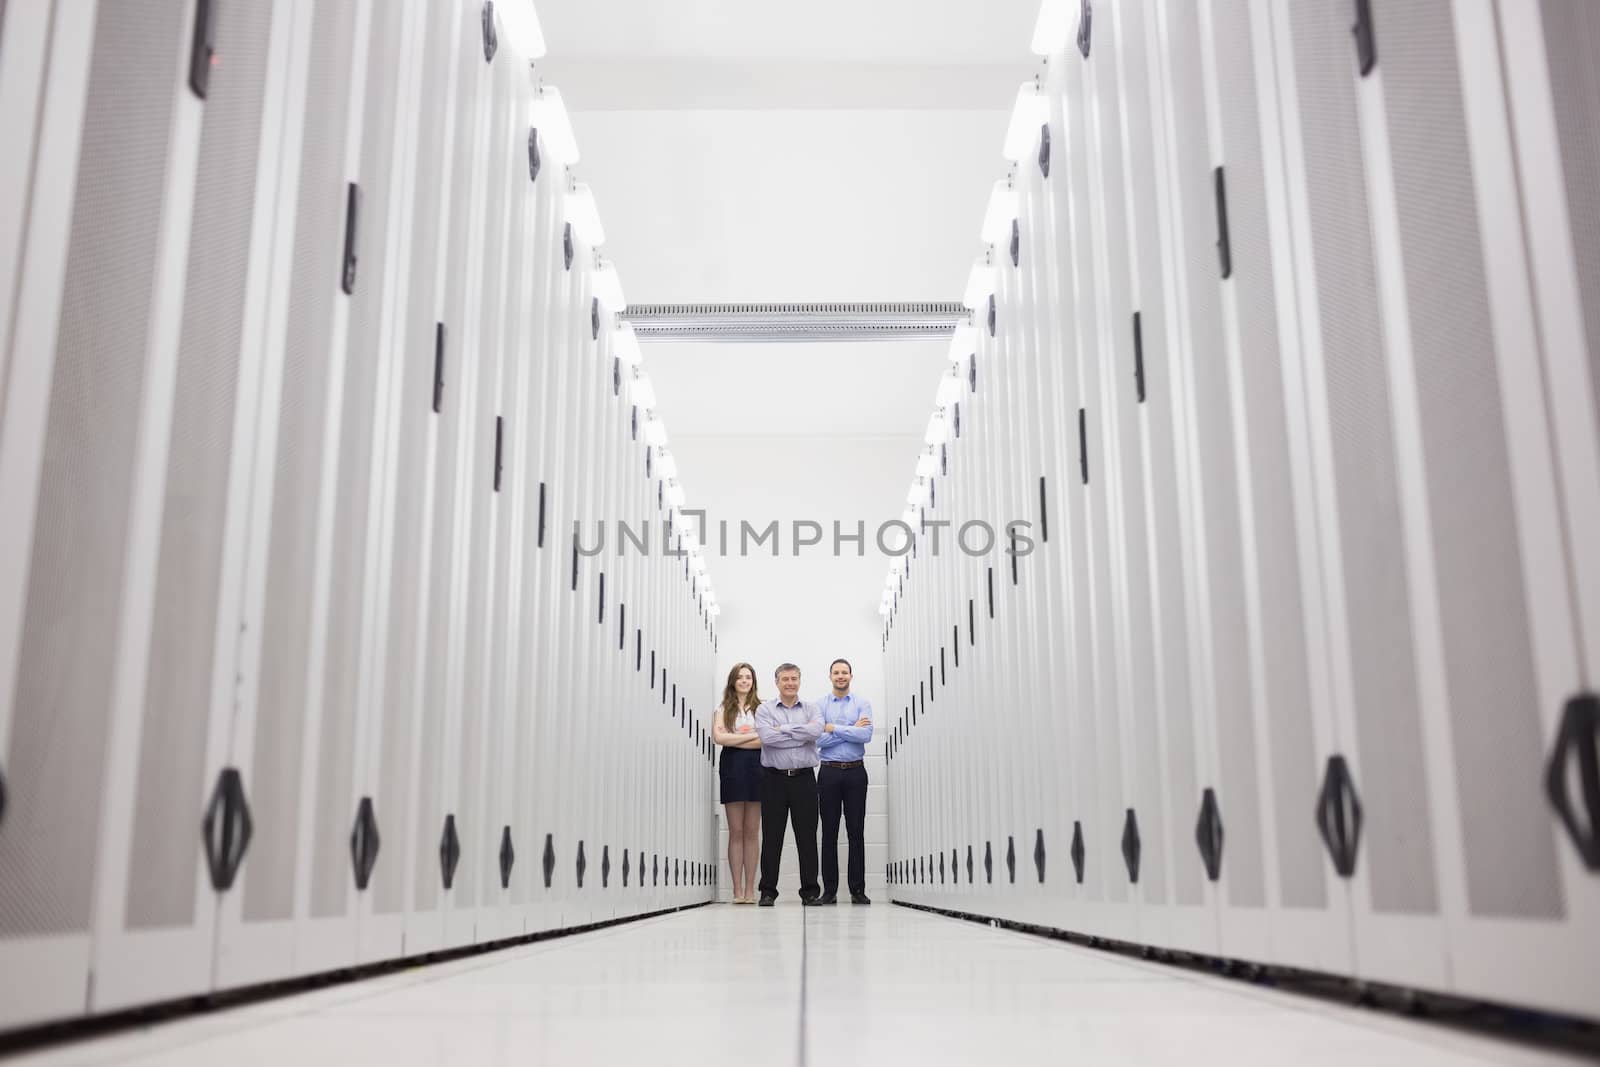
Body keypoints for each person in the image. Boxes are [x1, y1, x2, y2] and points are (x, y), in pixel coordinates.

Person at [755, 662, 824, 907]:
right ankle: (767, 892)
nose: (790, 683)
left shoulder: (812, 708)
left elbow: (815, 732)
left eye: (794, 678)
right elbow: (767, 738)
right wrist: (799, 734)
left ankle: (810, 892)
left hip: (804, 779)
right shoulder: (764, 710)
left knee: (807, 837)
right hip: (773, 779)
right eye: (785, 679)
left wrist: (783, 729)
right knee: (772, 837)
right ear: (777, 682)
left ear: (799, 681)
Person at [815, 658, 873, 905]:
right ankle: (829, 891)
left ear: (851, 675)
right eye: (836, 673)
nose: (840, 676)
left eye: (844, 672)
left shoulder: (863, 703)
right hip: (828, 773)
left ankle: (857, 890)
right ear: (830, 676)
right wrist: (850, 729)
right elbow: (817, 739)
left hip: (855, 773)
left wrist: (834, 728)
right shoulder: (819, 705)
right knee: (828, 833)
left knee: (856, 832)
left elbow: (866, 735)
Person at [712, 663, 764, 904]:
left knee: (752, 831)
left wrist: (735, 740)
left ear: (753, 681)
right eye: (740, 677)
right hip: (732, 767)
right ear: (733, 681)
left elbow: (766, 741)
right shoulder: (723, 708)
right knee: (736, 831)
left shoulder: (762, 709)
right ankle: (736, 890)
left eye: (748, 677)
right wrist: (752, 736)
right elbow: (719, 737)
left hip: (757, 767)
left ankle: (750, 890)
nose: (744, 681)